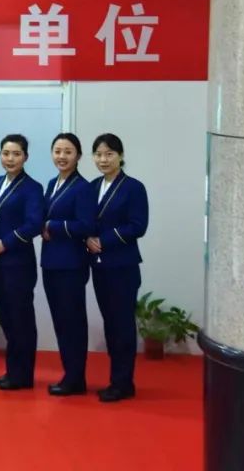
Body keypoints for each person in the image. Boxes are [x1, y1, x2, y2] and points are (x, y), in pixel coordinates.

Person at [87, 133, 149, 403]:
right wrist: (87, 238)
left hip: (123, 266)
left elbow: (138, 226)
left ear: (120, 156)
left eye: (109, 154)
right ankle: (117, 379)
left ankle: (123, 382)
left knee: (122, 325)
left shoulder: (133, 187)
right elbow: (86, 222)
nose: (103, 159)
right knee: (110, 324)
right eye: (99, 154)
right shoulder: (92, 187)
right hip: (99, 266)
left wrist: (104, 240)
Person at [0, 133, 45, 391]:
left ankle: (23, 375)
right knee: (6, 317)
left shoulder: (32, 188)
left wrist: (4, 243)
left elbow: (33, 224)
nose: (10, 159)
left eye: (16, 154)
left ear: (25, 157)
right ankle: (12, 371)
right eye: (6, 153)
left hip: (18, 262)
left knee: (21, 319)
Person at [41, 132, 95, 396]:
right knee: (60, 321)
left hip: (71, 264)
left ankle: (75, 378)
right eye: (57, 151)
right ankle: (70, 374)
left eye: (68, 152)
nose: (62, 156)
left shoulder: (83, 187)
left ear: (78, 156)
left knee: (72, 322)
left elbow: (86, 225)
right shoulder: (52, 183)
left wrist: (53, 225)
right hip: (51, 262)